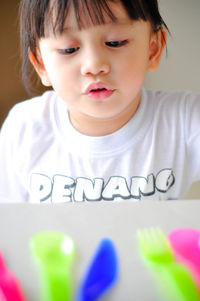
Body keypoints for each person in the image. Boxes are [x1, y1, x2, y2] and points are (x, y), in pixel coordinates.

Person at [0, 0, 199, 203]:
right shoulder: (24, 129)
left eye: (115, 42)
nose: (94, 65)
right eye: (69, 49)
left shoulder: (185, 121)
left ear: (153, 50)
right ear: (41, 64)